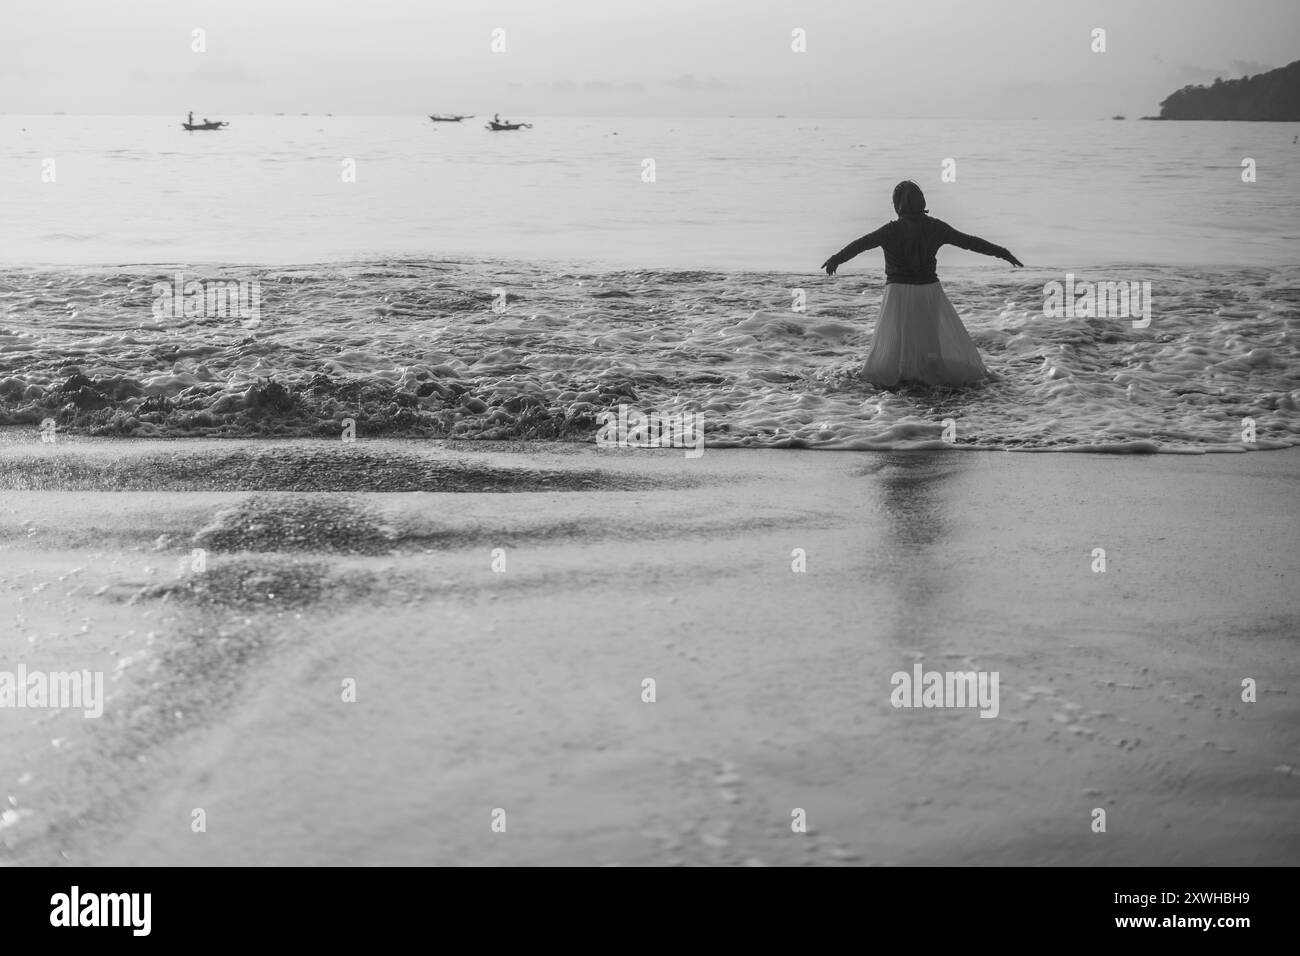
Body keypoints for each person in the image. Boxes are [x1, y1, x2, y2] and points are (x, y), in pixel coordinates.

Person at [821, 180, 1022, 388]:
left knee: (898, 342)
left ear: (897, 204)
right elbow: (970, 242)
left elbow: (860, 245)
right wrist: (1002, 252)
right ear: (922, 201)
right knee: (929, 339)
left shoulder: (891, 230)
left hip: (897, 292)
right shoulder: (935, 227)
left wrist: (837, 258)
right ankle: (929, 378)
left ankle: (900, 380)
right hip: (928, 291)